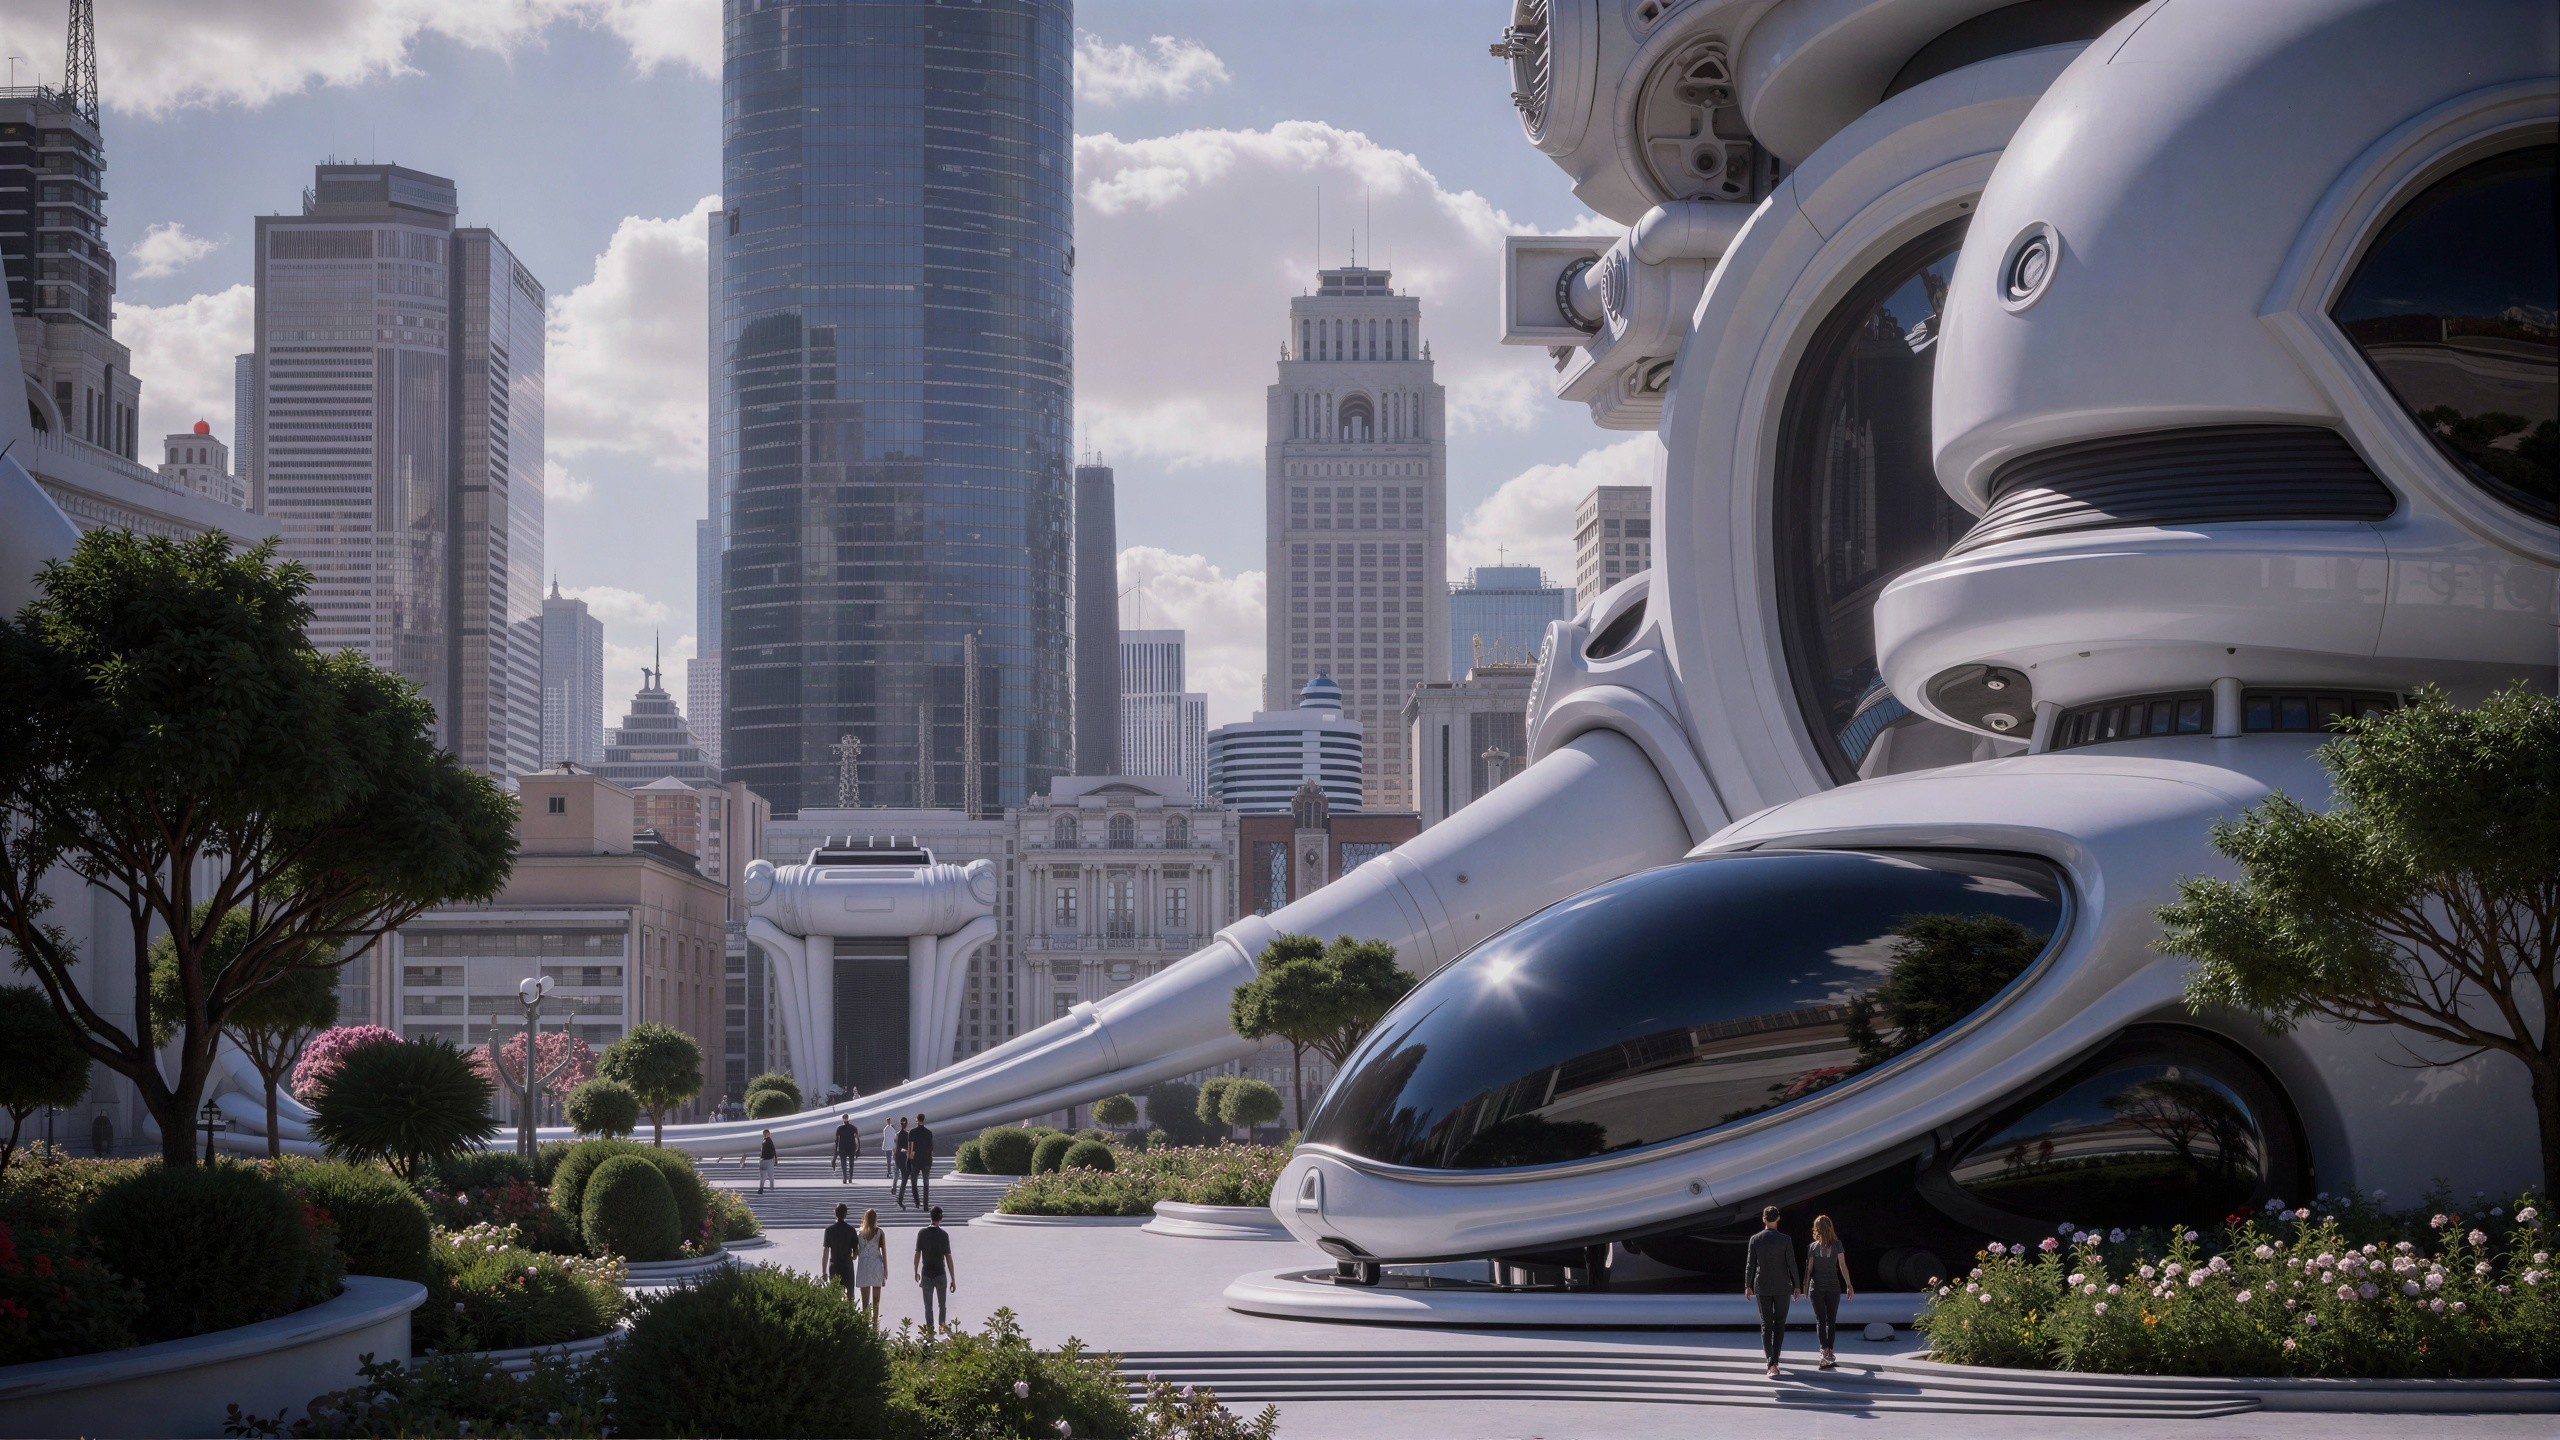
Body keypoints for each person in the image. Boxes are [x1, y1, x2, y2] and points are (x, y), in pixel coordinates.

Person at [1741, 1204, 1800, 1379]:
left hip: (1762, 1286)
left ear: (1763, 1219)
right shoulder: (1786, 1239)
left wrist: (1747, 1285)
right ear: (1779, 1218)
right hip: (1783, 1287)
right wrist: (1797, 1285)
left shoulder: (1755, 1239)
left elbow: (1750, 1265)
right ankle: (1775, 1360)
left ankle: (1770, 1363)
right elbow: (1792, 1264)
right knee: (1780, 1323)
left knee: (1766, 1325)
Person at [1807, 1213, 1855, 1370]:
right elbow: (1842, 1265)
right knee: (1831, 1320)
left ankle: (1824, 1350)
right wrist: (1849, 1284)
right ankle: (1829, 1350)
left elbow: (1809, 1269)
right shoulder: (1837, 1245)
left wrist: (1804, 1286)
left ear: (1817, 1229)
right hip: (1833, 1287)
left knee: (1821, 1320)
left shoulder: (1813, 1247)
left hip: (1817, 1287)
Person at [914, 1204, 956, 1330]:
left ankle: (929, 1333)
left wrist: (915, 1271)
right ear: (941, 1218)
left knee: (928, 1307)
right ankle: (942, 1329)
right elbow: (948, 1257)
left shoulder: (922, 1233)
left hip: (926, 1273)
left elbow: (917, 1253)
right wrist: (953, 1278)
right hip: (940, 1273)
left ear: (930, 1217)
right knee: (942, 1305)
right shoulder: (944, 1235)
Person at [852, 1205, 889, 1325]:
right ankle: (875, 1323)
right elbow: (884, 1252)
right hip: (877, 1265)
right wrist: (886, 1269)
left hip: (864, 1265)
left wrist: (850, 1256)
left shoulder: (859, 1233)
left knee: (865, 1301)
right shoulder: (880, 1232)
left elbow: (856, 1253)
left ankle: (864, 1323)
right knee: (876, 1299)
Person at [820, 1202, 858, 1303]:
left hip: (834, 1266)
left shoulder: (829, 1230)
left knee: (835, 1297)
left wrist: (824, 1272)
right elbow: (855, 1254)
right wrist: (852, 1256)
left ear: (835, 1213)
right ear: (846, 1214)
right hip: (847, 1266)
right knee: (850, 1296)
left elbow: (826, 1252)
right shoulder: (851, 1230)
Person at [907, 1113, 935, 1211]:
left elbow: (910, 1148)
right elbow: (931, 1148)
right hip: (926, 1161)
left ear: (916, 1120)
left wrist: (909, 1161)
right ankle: (926, 1205)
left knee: (914, 1183)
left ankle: (917, 1202)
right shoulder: (929, 1133)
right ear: (924, 1120)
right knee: (926, 1184)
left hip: (915, 1161)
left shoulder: (912, 1132)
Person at [892, 1117, 914, 1208]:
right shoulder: (907, 1135)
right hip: (903, 1159)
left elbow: (895, 1147)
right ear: (907, 1124)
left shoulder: (897, 1134)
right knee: (904, 1178)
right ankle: (900, 1199)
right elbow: (904, 1149)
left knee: (902, 1177)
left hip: (897, 1158)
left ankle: (900, 1198)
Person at [833, 1113, 859, 1184]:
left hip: (842, 1147)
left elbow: (837, 1140)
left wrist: (835, 1152)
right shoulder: (853, 1128)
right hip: (851, 1146)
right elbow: (857, 1138)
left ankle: (845, 1177)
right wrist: (858, 1149)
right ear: (848, 1118)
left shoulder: (840, 1128)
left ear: (842, 1119)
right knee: (851, 1163)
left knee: (843, 1163)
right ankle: (850, 1178)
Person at [758, 1128, 778, 1194]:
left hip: (769, 1160)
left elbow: (773, 1150)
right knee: (762, 1176)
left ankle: (771, 1188)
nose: (765, 1135)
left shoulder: (769, 1141)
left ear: (769, 1134)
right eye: (764, 1134)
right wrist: (760, 1159)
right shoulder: (763, 1141)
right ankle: (761, 1188)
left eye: (766, 1133)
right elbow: (762, 1151)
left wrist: (775, 1158)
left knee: (771, 1175)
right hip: (763, 1160)